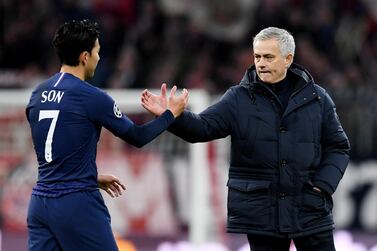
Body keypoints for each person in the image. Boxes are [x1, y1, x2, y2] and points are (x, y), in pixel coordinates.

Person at [141, 27, 350, 251]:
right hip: (262, 213)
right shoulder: (238, 98)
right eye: (257, 56)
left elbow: (338, 147)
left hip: (310, 208)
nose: (261, 63)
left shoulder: (318, 98)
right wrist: (170, 116)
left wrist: (323, 185)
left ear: (288, 58)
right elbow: (201, 128)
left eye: (268, 57)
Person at [26, 19, 188, 251]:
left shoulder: (37, 94)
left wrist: (89, 176)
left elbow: (57, 149)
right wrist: (170, 114)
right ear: (84, 56)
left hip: (40, 204)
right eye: (97, 52)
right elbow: (137, 137)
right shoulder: (91, 97)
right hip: (77, 204)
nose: (99, 58)